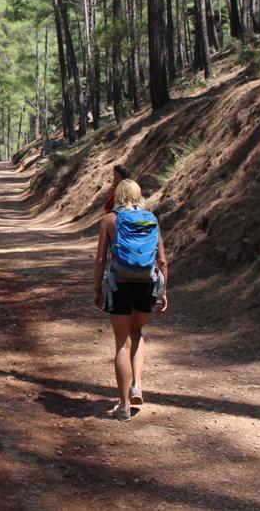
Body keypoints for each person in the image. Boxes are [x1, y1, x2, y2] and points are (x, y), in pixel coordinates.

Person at [92, 179, 169, 421]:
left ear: (118, 196)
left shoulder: (109, 220)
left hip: (119, 285)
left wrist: (97, 288)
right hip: (147, 283)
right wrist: (163, 290)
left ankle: (124, 405)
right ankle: (136, 385)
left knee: (122, 343)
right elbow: (162, 260)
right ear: (138, 195)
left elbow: (100, 260)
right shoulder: (151, 219)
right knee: (137, 333)